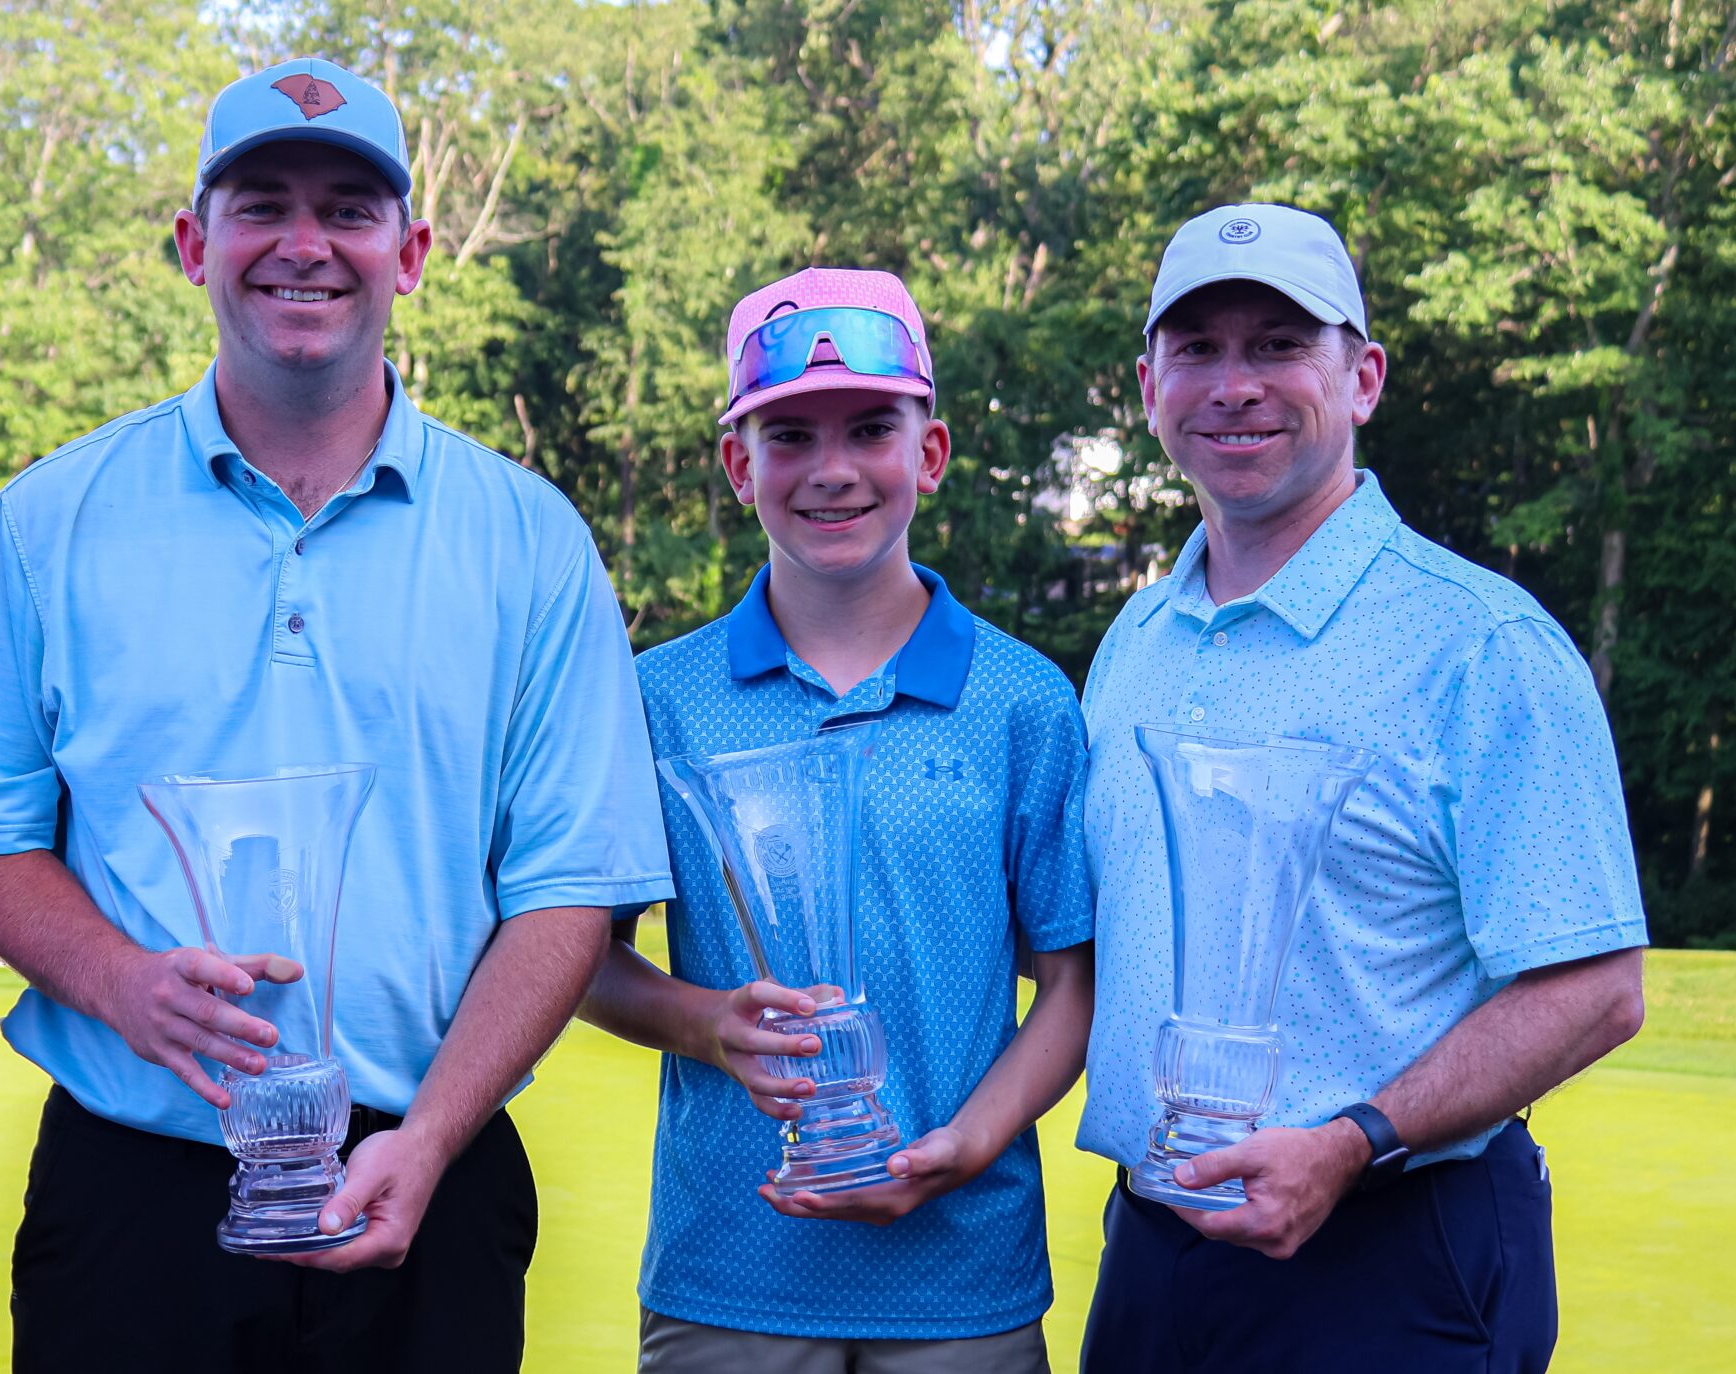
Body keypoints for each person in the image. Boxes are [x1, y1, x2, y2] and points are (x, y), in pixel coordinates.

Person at [0, 56, 671, 1374]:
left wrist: (436, 1132)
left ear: (412, 250)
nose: (304, 244)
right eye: (260, 201)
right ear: (191, 243)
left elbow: (567, 886)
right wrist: (119, 983)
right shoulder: (48, 524)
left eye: (348, 207)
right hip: (131, 1191)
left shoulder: (530, 542)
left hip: (426, 1167)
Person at [1077, 203, 1650, 1373]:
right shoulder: (1136, 639)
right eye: (1198, 348)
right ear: (1149, 388)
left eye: (1280, 344)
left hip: (1388, 1246)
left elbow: (1595, 986)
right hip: (1151, 1251)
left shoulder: (1478, 645)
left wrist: (1351, 1143)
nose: (1234, 384)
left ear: (1364, 376)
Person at [578, 268, 1095, 1373]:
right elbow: (580, 964)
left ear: (930, 453)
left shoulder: (1024, 700)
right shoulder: (657, 698)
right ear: (737, 465)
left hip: (965, 1277)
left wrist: (969, 1145)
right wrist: (711, 1023)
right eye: (787, 435)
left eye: (869, 427)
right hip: (729, 1269)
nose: (830, 469)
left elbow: (1071, 986)